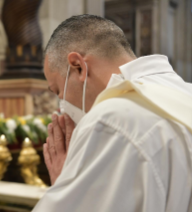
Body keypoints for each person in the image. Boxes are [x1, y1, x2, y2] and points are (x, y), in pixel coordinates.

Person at [33, 15, 192, 212]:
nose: (60, 107)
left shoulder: (111, 121)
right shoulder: (185, 94)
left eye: (58, 90)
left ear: (78, 66)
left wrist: (67, 183)